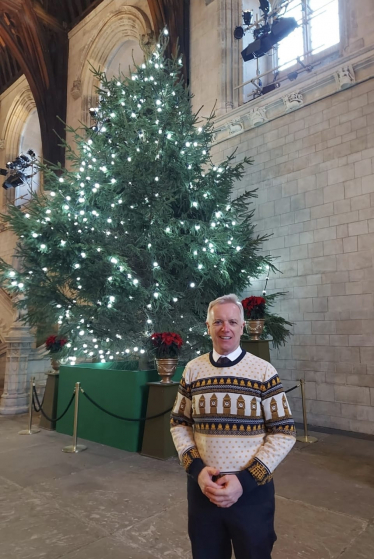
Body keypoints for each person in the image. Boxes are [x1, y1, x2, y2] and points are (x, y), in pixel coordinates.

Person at [170, 294, 296, 559]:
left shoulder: (263, 372)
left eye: (231, 322)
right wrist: (197, 470)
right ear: (208, 327)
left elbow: (284, 432)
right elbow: (179, 424)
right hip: (204, 491)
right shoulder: (193, 370)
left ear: (242, 327)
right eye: (217, 322)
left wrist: (246, 481)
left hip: (252, 496)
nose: (224, 328)